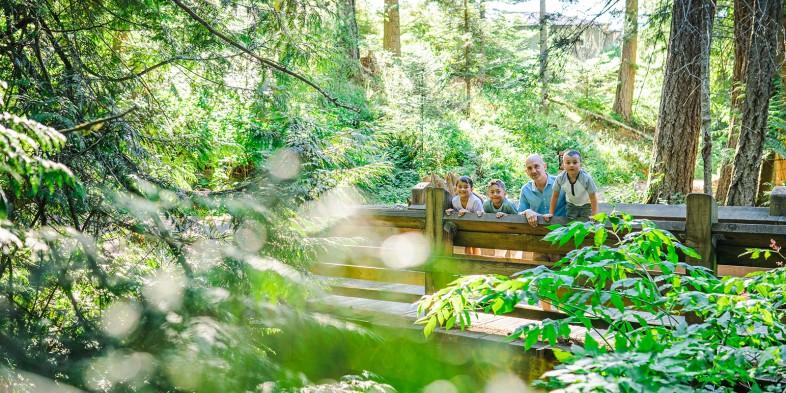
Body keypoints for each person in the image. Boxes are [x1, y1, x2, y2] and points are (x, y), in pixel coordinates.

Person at [545, 150, 598, 220]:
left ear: (580, 164)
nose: (571, 165)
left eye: (575, 162)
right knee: (571, 223)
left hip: (586, 205)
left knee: (587, 224)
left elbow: (593, 197)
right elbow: (555, 196)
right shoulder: (561, 178)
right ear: (563, 165)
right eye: (568, 163)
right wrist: (551, 213)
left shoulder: (586, 178)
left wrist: (595, 215)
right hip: (571, 205)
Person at [518, 154, 567, 227]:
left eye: (536, 166)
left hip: (562, 229)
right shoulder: (525, 190)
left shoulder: (561, 183)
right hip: (537, 230)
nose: (533, 171)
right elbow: (519, 213)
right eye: (529, 168)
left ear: (544, 166)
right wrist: (527, 211)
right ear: (526, 171)